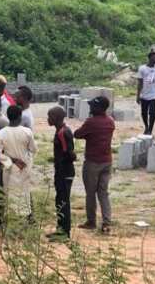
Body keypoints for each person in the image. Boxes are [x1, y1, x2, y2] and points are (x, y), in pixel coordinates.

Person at [74, 96, 115, 234]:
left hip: (93, 162)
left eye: (92, 106)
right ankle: (106, 222)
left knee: (90, 193)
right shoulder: (110, 122)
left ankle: (91, 221)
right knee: (103, 193)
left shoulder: (91, 122)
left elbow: (77, 134)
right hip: (107, 161)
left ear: (98, 108)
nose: (90, 108)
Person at [0, 105, 37, 221]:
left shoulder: (1, 133)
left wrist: (11, 160)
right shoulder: (27, 132)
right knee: (24, 192)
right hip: (24, 166)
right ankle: (25, 218)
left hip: (9, 167)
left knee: (10, 193)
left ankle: (11, 219)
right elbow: (34, 149)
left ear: (8, 116)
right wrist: (23, 159)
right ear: (20, 116)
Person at [48, 106, 76, 239]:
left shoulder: (62, 133)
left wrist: (60, 161)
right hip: (61, 171)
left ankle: (64, 232)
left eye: (50, 116)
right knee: (60, 200)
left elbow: (69, 154)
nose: (48, 119)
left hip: (64, 172)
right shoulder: (60, 131)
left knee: (63, 202)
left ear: (57, 118)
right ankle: (60, 228)